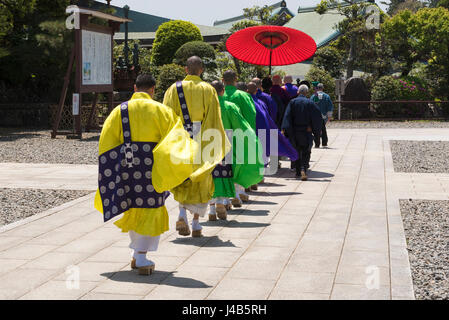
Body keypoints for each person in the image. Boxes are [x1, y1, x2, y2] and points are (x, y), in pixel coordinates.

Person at [94, 74, 199, 275]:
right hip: (153, 167)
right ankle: (141, 256)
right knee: (151, 208)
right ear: (153, 89)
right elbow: (177, 140)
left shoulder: (119, 111)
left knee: (133, 206)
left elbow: (106, 142)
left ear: (135, 87)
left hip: (127, 166)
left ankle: (137, 254)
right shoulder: (161, 111)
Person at [163, 56, 231, 238]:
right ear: (201, 70)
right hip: (202, 139)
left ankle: (181, 214)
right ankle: (195, 223)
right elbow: (214, 119)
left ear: (186, 69)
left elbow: (167, 116)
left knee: (181, 177)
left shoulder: (172, 89)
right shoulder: (208, 90)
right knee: (201, 179)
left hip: (179, 138)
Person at [208, 80, 264, 220]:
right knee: (224, 173)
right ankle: (222, 201)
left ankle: (211, 210)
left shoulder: (205, 107)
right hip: (227, 143)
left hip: (208, 143)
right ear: (222, 91)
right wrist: (252, 139)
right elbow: (242, 125)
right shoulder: (230, 107)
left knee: (209, 176)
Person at [222, 69, 259, 198]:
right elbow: (251, 116)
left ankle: (225, 195)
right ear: (236, 79)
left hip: (221, 135)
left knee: (224, 164)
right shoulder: (244, 96)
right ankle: (239, 191)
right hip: (240, 134)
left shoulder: (218, 96)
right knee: (240, 163)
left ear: (223, 80)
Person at [247, 82, 298, 168]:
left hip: (248, 130)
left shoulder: (244, 101)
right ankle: (264, 169)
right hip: (265, 128)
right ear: (258, 88)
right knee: (265, 149)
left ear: (247, 90)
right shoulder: (265, 99)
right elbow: (273, 112)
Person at [282, 85, 322, 181]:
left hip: (295, 132)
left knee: (296, 151)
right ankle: (304, 168)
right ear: (306, 93)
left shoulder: (292, 102)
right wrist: (314, 130)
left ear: (298, 92)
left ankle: (298, 171)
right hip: (306, 131)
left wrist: (287, 131)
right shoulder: (310, 103)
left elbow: (287, 117)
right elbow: (317, 117)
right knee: (306, 151)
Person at [310, 83, 333, 148]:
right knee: (323, 129)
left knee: (316, 130)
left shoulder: (313, 96)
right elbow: (329, 106)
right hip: (323, 116)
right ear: (322, 88)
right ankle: (324, 143)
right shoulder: (326, 96)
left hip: (315, 116)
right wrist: (329, 116)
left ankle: (317, 143)